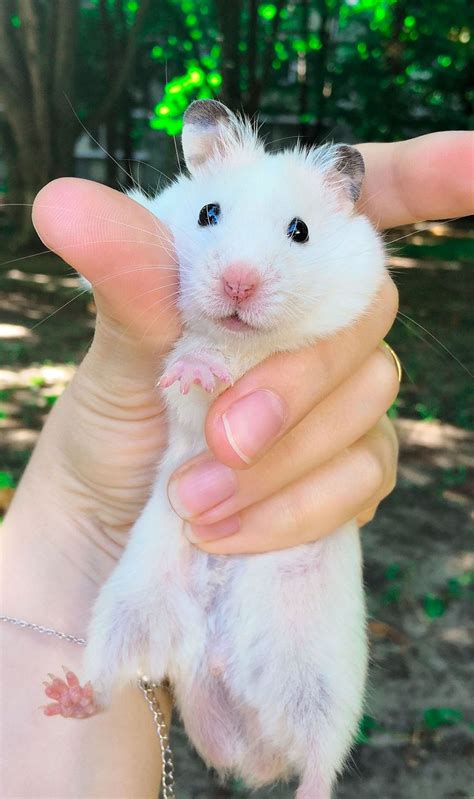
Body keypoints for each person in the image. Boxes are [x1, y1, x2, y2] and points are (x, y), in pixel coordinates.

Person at [1, 131, 472, 798]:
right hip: (175, 530)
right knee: (138, 592)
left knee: (317, 650)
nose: (239, 275)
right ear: (191, 189)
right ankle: (97, 683)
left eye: (297, 231)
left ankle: (317, 777)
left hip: (273, 566)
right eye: (214, 217)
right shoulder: (167, 241)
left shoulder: (348, 271)